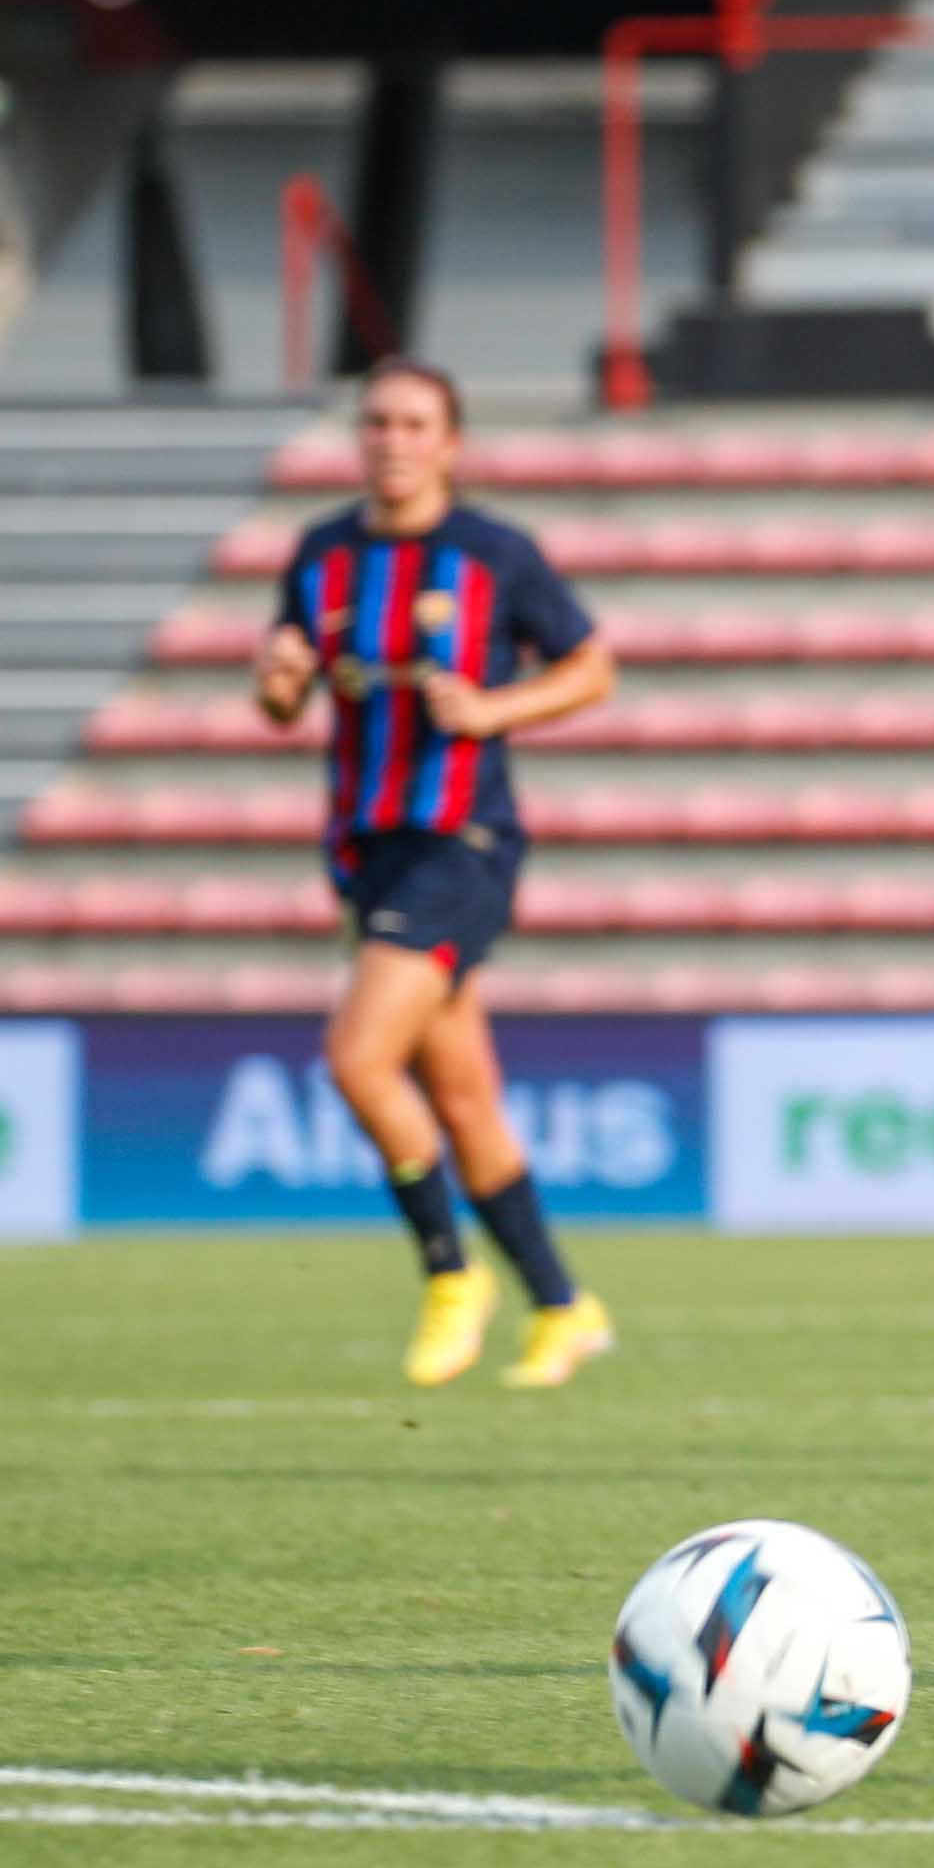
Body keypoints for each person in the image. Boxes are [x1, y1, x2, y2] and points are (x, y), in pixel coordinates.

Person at [250, 357, 620, 1389]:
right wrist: (277, 684)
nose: (393, 440)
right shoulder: (321, 555)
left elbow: (593, 667)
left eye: (415, 423)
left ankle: (451, 1270)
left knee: (359, 1058)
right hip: (365, 850)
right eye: (377, 422)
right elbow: (290, 695)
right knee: (462, 1100)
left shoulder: (494, 554)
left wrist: (495, 710)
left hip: (464, 841)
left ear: (450, 442)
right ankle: (563, 1302)